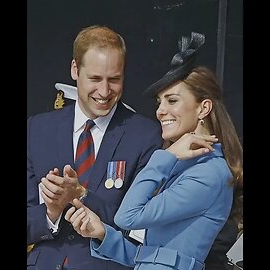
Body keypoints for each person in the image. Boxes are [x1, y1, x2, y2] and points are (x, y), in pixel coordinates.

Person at [64, 32, 243, 270]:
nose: (160, 110)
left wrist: (166, 156)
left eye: (172, 100)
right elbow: (152, 257)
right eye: (160, 102)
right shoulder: (188, 167)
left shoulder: (210, 173)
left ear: (204, 108)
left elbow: (127, 217)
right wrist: (102, 233)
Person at [27, 25, 163, 270]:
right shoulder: (37, 129)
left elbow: (141, 228)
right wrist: (51, 212)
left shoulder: (145, 135)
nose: (104, 91)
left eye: (114, 79)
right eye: (95, 79)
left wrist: (81, 195)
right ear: (75, 70)